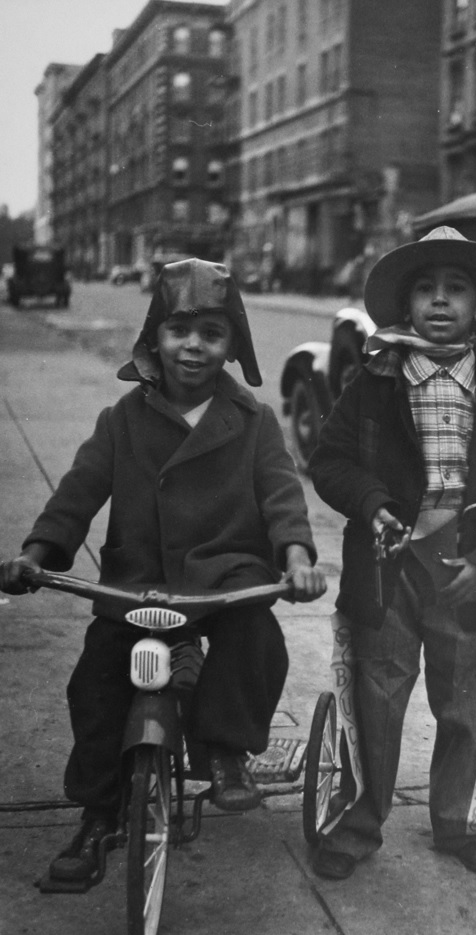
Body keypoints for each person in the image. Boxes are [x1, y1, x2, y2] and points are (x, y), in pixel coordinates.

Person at [0, 258, 326, 884]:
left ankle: (226, 750)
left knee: (256, 640)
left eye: (212, 332)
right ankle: (99, 813)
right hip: (137, 582)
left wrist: (297, 558)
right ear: (154, 338)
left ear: (233, 345)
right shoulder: (123, 418)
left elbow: (283, 496)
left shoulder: (254, 422)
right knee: (95, 683)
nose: (194, 346)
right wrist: (36, 555)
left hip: (225, 579)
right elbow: (78, 493)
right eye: (179, 331)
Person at [308, 226, 476, 879]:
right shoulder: (374, 382)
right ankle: (357, 825)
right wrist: (372, 501)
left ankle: (462, 822)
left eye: (456, 289)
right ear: (405, 305)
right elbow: (328, 461)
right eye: (425, 288)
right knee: (377, 696)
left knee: (467, 698)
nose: (440, 301)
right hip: (390, 566)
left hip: (470, 570)